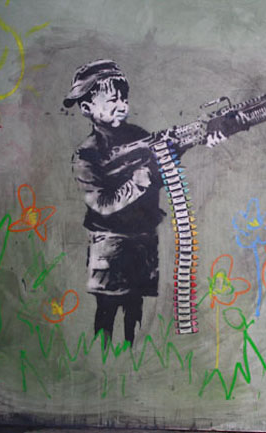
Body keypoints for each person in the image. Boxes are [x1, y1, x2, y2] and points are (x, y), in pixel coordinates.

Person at [63, 59, 165, 346]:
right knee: (106, 311)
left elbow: (160, 175)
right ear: (87, 108)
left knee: (135, 309)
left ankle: (130, 361)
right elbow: (102, 204)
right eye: (112, 100)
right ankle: (103, 361)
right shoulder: (87, 154)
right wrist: (137, 183)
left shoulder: (141, 137)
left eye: (124, 99)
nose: (122, 105)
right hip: (110, 244)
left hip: (143, 240)